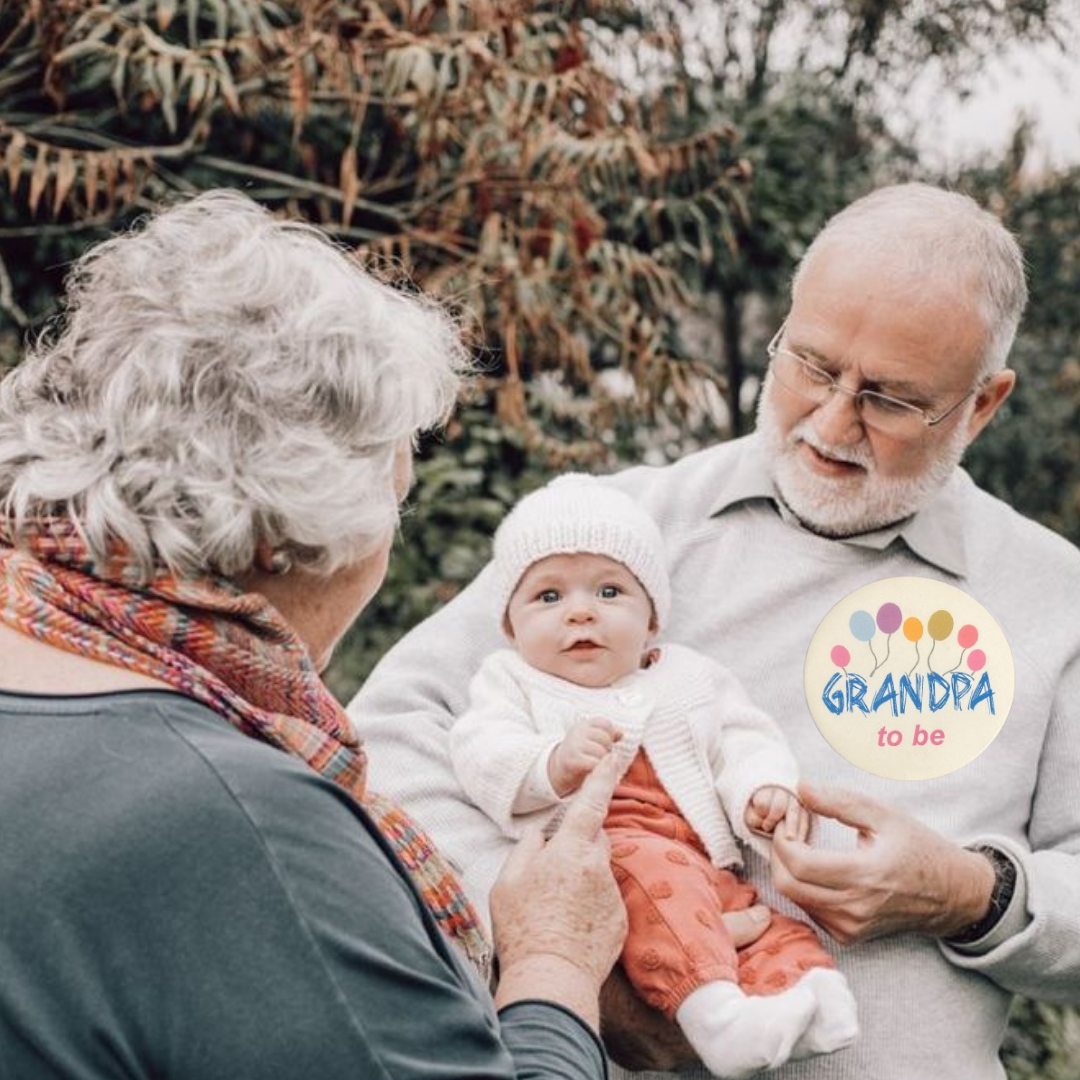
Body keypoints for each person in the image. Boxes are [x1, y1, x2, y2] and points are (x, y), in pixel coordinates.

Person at [349, 182, 1080, 1080]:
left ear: (982, 404)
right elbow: (384, 736)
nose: (829, 422)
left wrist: (971, 895)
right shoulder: (609, 535)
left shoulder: (1057, 598)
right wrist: (566, 959)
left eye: (890, 400)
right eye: (811, 365)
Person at [0, 189, 635, 1080]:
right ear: (284, 531)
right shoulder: (247, 828)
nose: (388, 538)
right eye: (393, 496)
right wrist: (552, 967)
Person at [451, 475, 859, 1078]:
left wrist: (761, 790)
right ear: (510, 626)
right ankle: (716, 1017)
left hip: (704, 862)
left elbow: (743, 737)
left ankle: (811, 1002)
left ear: (652, 620)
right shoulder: (509, 682)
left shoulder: (690, 677)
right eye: (547, 597)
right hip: (603, 862)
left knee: (770, 927)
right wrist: (550, 763)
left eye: (610, 591)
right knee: (666, 896)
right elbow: (480, 751)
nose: (581, 611)